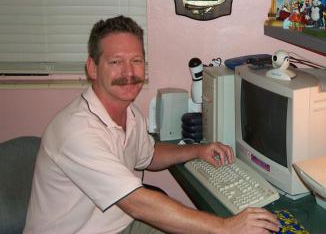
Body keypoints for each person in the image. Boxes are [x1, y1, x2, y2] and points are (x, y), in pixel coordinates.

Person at [24, 16, 280, 234]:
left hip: (122, 224)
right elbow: (137, 203)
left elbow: (149, 154)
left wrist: (197, 150)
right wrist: (226, 226)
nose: (129, 72)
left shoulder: (129, 113)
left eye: (136, 61)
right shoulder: (76, 132)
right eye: (115, 62)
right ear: (92, 67)